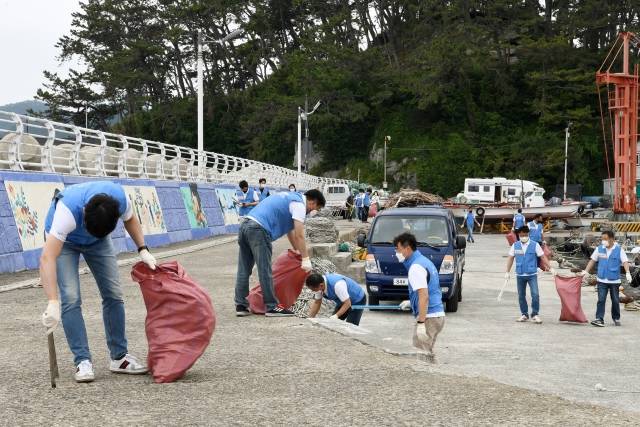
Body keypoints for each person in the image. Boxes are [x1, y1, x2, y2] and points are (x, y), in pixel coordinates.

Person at [40, 181, 157, 383]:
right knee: (71, 297)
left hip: (98, 242)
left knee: (113, 293)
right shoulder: (67, 212)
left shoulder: (119, 198)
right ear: (84, 213)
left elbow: (130, 220)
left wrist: (143, 249)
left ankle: (119, 357)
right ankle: (82, 361)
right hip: (66, 243)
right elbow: (47, 258)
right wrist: (52, 301)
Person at [234, 189, 326, 317]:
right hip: (259, 230)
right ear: (313, 202)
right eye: (317, 208)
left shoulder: (290, 198)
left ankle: (241, 305)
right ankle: (272, 306)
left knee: (244, 269)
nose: (313, 211)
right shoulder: (299, 205)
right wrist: (305, 258)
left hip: (245, 226)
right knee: (265, 269)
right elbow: (300, 235)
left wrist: (297, 251)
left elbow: (291, 232)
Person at [393, 232, 444, 360]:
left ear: (407, 248)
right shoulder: (425, 261)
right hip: (437, 315)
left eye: (398, 250)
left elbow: (424, 296)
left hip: (428, 317)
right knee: (427, 353)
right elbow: (431, 289)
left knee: (420, 358)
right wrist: (412, 302)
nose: (397, 253)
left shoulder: (415, 267)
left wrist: (421, 323)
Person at [583, 230, 632, 327]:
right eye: (602, 239)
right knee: (601, 299)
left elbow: (625, 262)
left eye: (605, 239)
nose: (603, 241)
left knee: (615, 300)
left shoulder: (619, 250)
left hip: (614, 280)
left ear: (612, 239)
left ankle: (616, 318)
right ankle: (599, 319)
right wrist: (586, 271)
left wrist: (627, 273)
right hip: (602, 280)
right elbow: (592, 260)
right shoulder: (599, 249)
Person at [505, 225, 551, 324]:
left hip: (532, 274)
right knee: (521, 295)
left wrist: (551, 268)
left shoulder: (535, 245)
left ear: (528, 234)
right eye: (521, 235)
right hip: (520, 274)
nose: (523, 237)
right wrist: (507, 272)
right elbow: (510, 258)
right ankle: (524, 314)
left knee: (535, 294)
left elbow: (542, 257)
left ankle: (535, 314)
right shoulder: (515, 245)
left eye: (525, 235)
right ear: (518, 235)